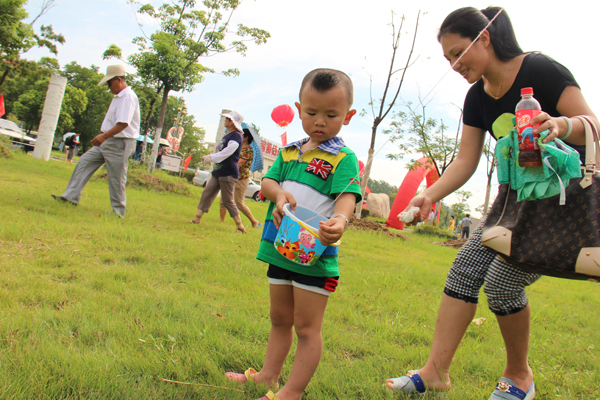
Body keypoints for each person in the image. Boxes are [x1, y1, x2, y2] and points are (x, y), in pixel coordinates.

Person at [386, 6, 597, 400]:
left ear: (484, 37)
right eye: (447, 58)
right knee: (464, 269)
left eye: (458, 53)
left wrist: (561, 125)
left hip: (562, 204)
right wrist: (429, 194)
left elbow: (594, 124)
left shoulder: (541, 70)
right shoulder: (476, 97)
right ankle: (435, 372)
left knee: (501, 284)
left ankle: (520, 377)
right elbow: (466, 161)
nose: (453, 64)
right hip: (513, 205)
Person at [225, 68, 361, 400]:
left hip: (315, 255)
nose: (319, 121)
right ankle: (267, 376)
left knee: (306, 327)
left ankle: (292, 392)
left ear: (348, 116)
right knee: (280, 318)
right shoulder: (290, 152)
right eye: (312, 112)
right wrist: (279, 195)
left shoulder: (344, 158)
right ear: (298, 109)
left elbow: (347, 198)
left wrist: (341, 221)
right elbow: (270, 182)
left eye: (331, 115)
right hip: (279, 245)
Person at [52, 64, 140, 218]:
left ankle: (118, 212)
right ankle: (70, 197)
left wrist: (104, 136)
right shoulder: (119, 96)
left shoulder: (128, 97)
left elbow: (123, 123)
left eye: (109, 83)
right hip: (108, 140)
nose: (108, 87)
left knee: (116, 178)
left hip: (120, 143)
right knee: (84, 161)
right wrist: (105, 137)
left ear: (118, 80)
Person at [190, 110, 247, 233]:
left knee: (227, 200)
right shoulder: (227, 135)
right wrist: (210, 156)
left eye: (227, 119)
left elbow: (227, 152)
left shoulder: (236, 136)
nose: (225, 121)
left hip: (228, 173)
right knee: (207, 193)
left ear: (232, 122)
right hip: (218, 171)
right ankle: (197, 219)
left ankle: (240, 226)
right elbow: (219, 151)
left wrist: (211, 157)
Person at [219, 128, 261, 228]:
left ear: (246, 138)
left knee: (239, 203)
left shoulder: (248, 150)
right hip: (231, 177)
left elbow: (238, 164)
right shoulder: (236, 148)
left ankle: (254, 221)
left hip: (241, 179)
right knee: (223, 200)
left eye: (241, 134)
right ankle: (221, 222)